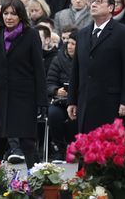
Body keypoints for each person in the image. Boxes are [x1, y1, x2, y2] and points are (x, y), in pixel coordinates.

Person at [67, 0, 125, 134]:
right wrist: (72, 100)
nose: (93, 4)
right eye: (92, 1)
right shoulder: (82, 34)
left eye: (99, 2)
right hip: (85, 101)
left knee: (110, 150)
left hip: (111, 103)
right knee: (86, 149)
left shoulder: (124, 33)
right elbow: (76, 69)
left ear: (111, 7)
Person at [0, 0, 48, 169]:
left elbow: (39, 69)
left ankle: (36, 181)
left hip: (23, 96)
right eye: (6, 13)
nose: (9, 17)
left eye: (13, 14)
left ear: (21, 16)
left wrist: (41, 101)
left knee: (28, 143)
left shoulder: (31, 35)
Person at [47, 31, 78, 161]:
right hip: (60, 101)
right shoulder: (58, 59)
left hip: (78, 101)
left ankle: (74, 148)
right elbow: (49, 83)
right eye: (68, 43)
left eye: (73, 44)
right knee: (53, 114)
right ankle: (60, 148)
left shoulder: (86, 60)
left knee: (76, 116)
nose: (70, 46)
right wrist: (56, 90)